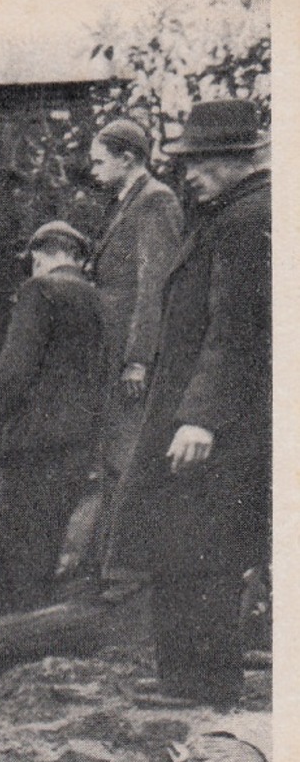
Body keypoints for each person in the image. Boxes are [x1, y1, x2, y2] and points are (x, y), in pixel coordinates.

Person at [113, 99, 271, 708]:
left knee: (201, 544)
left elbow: (236, 330)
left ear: (240, 160)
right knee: (184, 539)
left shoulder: (248, 220)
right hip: (194, 409)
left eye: (204, 161)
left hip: (214, 421)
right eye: (187, 161)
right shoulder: (225, 214)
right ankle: (186, 677)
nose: (191, 173)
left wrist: (201, 416)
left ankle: (201, 684)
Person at [0, 221, 107, 614]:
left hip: (36, 441)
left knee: (16, 543)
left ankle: (6, 635)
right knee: (47, 539)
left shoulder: (41, 291)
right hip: (81, 441)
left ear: (40, 256)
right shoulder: (97, 299)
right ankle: (33, 631)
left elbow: (14, 370)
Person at [85, 118, 185, 586]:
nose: (93, 170)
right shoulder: (127, 203)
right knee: (113, 458)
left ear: (128, 158)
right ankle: (111, 566)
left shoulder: (155, 202)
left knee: (126, 459)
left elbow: (154, 289)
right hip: (112, 357)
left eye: (99, 161)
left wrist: (139, 360)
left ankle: (127, 573)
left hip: (131, 362)